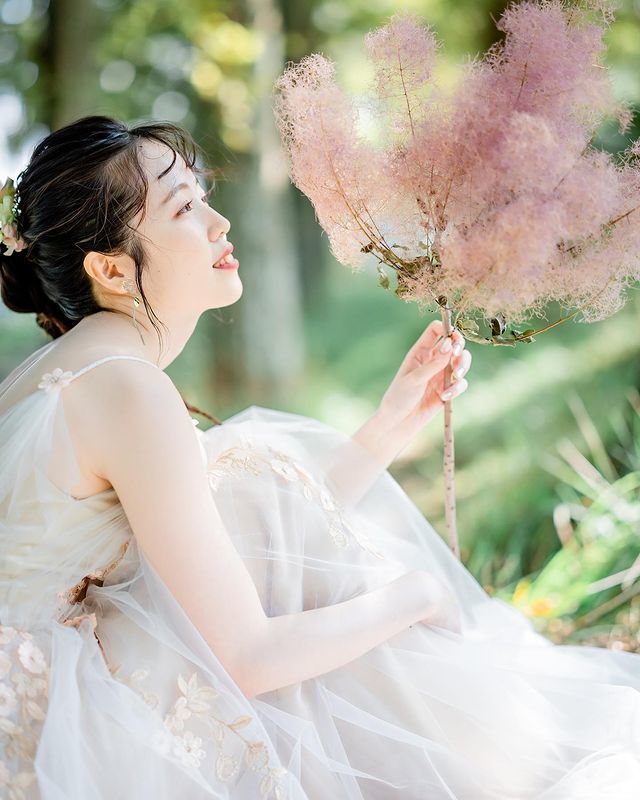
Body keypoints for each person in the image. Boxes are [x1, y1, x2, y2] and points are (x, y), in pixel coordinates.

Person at [0, 116, 637, 800]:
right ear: (112, 268)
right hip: (78, 734)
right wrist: (414, 596)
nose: (219, 223)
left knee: (244, 483)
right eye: (185, 208)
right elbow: (246, 655)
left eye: (204, 195)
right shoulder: (124, 387)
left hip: (62, 683)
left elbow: (232, 544)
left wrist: (392, 424)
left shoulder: (78, 368)